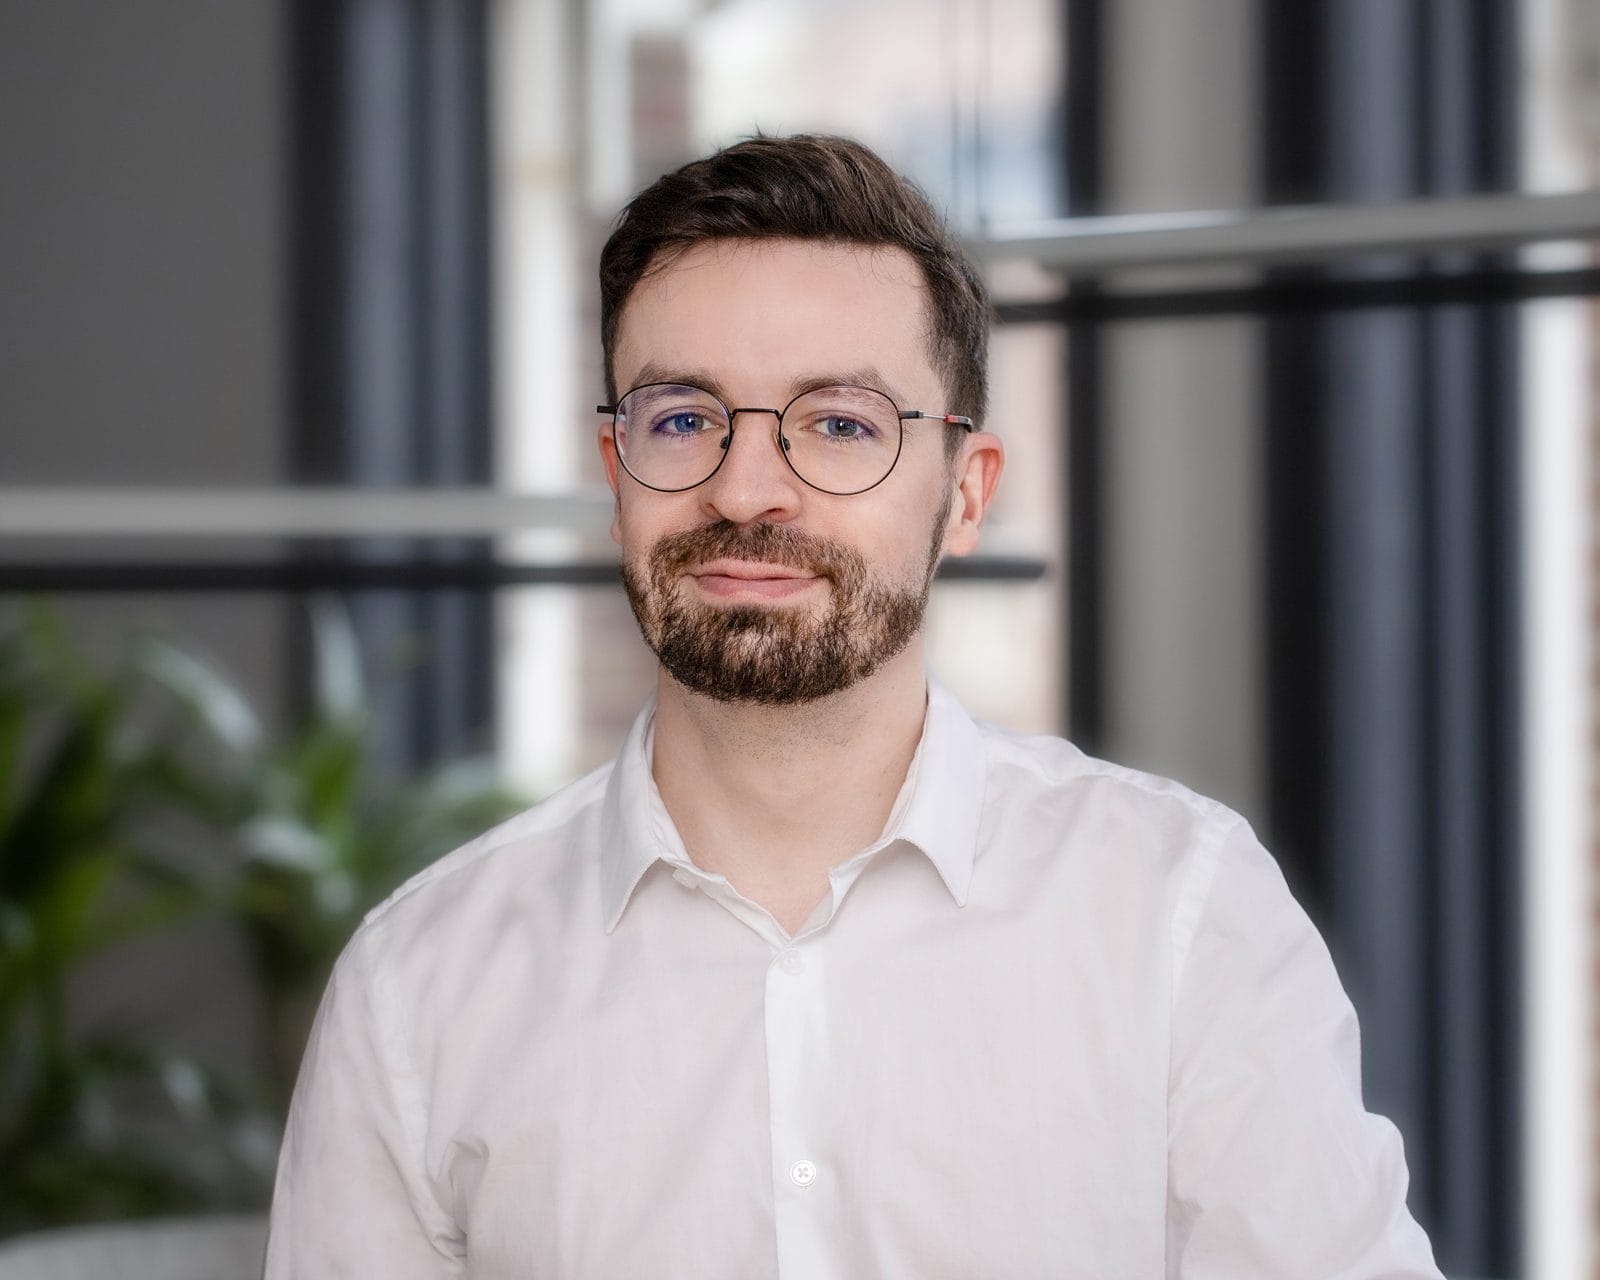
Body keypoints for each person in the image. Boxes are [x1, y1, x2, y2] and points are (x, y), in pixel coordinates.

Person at [264, 134, 1443, 1278]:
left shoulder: (1181, 915)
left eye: (839, 424)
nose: (746, 488)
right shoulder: (419, 985)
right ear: (616, 476)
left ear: (965, 493)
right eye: (682, 418)